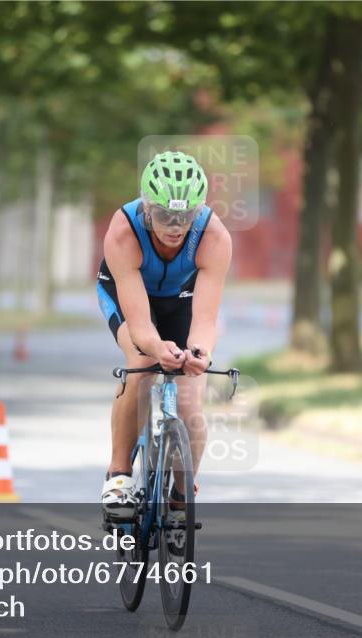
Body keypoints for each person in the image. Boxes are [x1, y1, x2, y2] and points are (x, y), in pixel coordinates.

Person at [96, 151, 232, 520]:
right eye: (164, 215)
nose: (175, 226)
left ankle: (181, 492)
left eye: (185, 217)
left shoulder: (214, 236)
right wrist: (158, 348)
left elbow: (205, 320)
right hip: (128, 293)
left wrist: (199, 353)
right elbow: (141, 327)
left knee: (191, 403)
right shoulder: (123, 231)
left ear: (198, 211)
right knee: (142, 362)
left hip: (182, 299)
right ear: (146, 208)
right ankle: (119, 474)